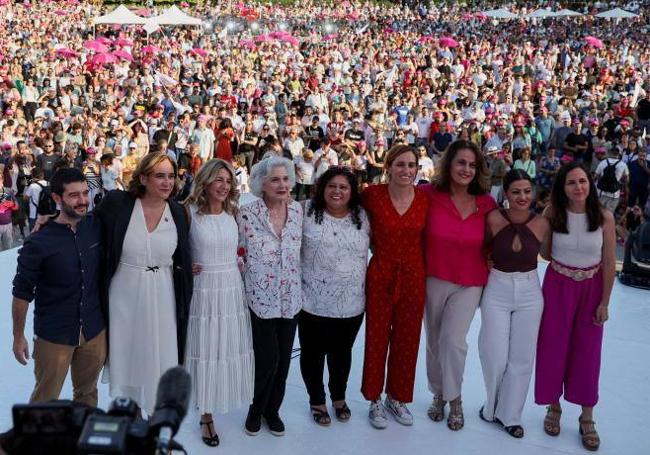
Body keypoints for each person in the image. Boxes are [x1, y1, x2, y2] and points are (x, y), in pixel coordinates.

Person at [94, 152, 193, 415]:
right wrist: (51, 220)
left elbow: (183, 253)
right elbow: (88, 226)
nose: (167, 182)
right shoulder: (117, 203)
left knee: (160, 354)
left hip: (162, 293)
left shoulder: (178, 211)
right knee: (128, 352)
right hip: (123, 293)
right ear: (143, 178)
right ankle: (132, 410)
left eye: (171, 176)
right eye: (159, 175)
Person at [535, 162, 616, 452]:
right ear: (563, 188)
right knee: (552, 346)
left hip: (591, 289)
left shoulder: (604, 217)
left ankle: (587, 416)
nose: (578, 187)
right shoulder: (553, 214)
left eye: (582, 181)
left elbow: (609, 262)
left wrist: (604, 302)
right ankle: (553, 408)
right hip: (558, 286)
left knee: (588, 352)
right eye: (571, 183)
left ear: (590, 184)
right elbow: (544, 252)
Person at [11, 168, 106, 406]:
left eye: (85, 193)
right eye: (74, 195)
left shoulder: (96, 225)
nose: (83, 200)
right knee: (45, 400)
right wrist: (18, 336)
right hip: (54, 334)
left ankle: (81, 441)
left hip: (94, 331)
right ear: (56, 198)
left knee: (87, 395)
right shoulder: (38, 242)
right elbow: (21, 294)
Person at [421, 140, 496, 431]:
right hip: (434, 277)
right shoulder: (427, 194)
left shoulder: (487, 203)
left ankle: (455, 399)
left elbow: (501, 238)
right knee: (434, 340)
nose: (466, 169)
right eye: (461, 162)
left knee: (453, 341)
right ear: (449, 164)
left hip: (470, 281)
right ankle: (438, 393)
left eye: (472, 165)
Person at [183, 159, 254, 447]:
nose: (224, 186)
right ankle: (206, 413)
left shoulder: (234, 213)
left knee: (224, 346)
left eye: (228, 181)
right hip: (203, 290)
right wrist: (184, 267)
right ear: (206, 182)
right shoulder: (188, 213)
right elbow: (172, 249)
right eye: (218, 180)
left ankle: (216, 398)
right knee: (206, 347)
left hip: (230, 288)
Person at [478, 169, 550, 438]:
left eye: (527, 191)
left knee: (522, 357)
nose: (522, 197)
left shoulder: (543, 223)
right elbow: (480, 249)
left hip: (531, 291)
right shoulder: (493, 218)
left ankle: (511, 416)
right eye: (516, 192)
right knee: (493, 354)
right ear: (506, 193)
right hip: (497, 287)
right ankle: (491, 405)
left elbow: (555, 255)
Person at [361, 145, 429, 429]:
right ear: (388, 166)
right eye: (400, 165)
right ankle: (374, 397)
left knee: (407, 338)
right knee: (377, 336)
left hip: (414, 275)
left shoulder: (425, 200)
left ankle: (397, 397)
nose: (406, 170)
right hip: (381, 272)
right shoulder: (371, 196)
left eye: (411, 165)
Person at [237, 156, 302, 437]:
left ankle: (273, 410)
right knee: (266, 360)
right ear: (261, 184)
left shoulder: (299, 211)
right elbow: (234, 250)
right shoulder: (247, 213)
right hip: (260, 299)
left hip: (291, 298)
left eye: (286, 179)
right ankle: (256, 408)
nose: (282, 184)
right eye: (275, 179)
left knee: (284, 360)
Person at [299, 167, 370, 426]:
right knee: (313, 354)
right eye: (332, 186)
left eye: (343, 187)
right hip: (312, 302)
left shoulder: (363, 216)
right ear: (322, 188)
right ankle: (316, 399)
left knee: (342, 354)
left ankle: (338, 396)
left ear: (352, 192)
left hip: (351, 303)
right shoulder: (304, 211)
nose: (337, 191)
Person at [594, 147, 628, 213]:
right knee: (609, 214)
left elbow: (595, 176)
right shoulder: (623, 165)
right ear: (619, 154)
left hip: (601, 192)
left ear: (609, 153)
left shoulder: (603, 162)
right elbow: (627, 180)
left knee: (598, 212)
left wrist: (602, 180)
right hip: (614, 194)